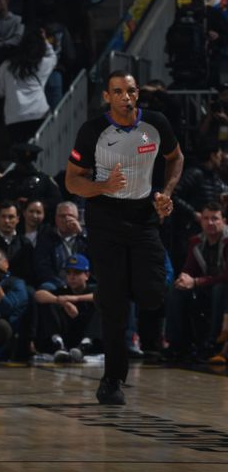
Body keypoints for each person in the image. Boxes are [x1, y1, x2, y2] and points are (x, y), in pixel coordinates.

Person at [65, 70, 184, 405]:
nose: (125, 97)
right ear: (107, 96)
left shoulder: (157, 124)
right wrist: (102, 186)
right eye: (117, 91)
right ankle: (112, 380)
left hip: (144, 216)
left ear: (137, 95)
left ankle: (116, 289)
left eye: (130, 91)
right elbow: (73, 181)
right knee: (116, 308)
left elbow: (175, 159)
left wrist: (167, 192)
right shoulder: (92, 132)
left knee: (152, 294)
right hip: (106, 218)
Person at [168, 202, 228, 360]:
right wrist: (184, 278)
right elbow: (189, 268)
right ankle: (177, 345)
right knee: (176, 289)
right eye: (206, 218)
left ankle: (212, 344)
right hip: (205, 285)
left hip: (222, 288)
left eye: (215, 218)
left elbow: (225, 276)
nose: (210, 223)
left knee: (219, 288)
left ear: (224, 221)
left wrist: (195, 282)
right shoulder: (196, 241)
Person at [34, 253, 99, 362]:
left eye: (77, 273)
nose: (72, 277)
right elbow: (38, 295)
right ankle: (58, 344)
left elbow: (104, 296)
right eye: (68, 273)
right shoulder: (63, 291)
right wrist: (62, 302)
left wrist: (75, 298)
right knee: (48, 303)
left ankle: (85, 345)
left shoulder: (93, 289)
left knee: (102, 306)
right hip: (68, 333)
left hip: (87, 335)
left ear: (87, 275)